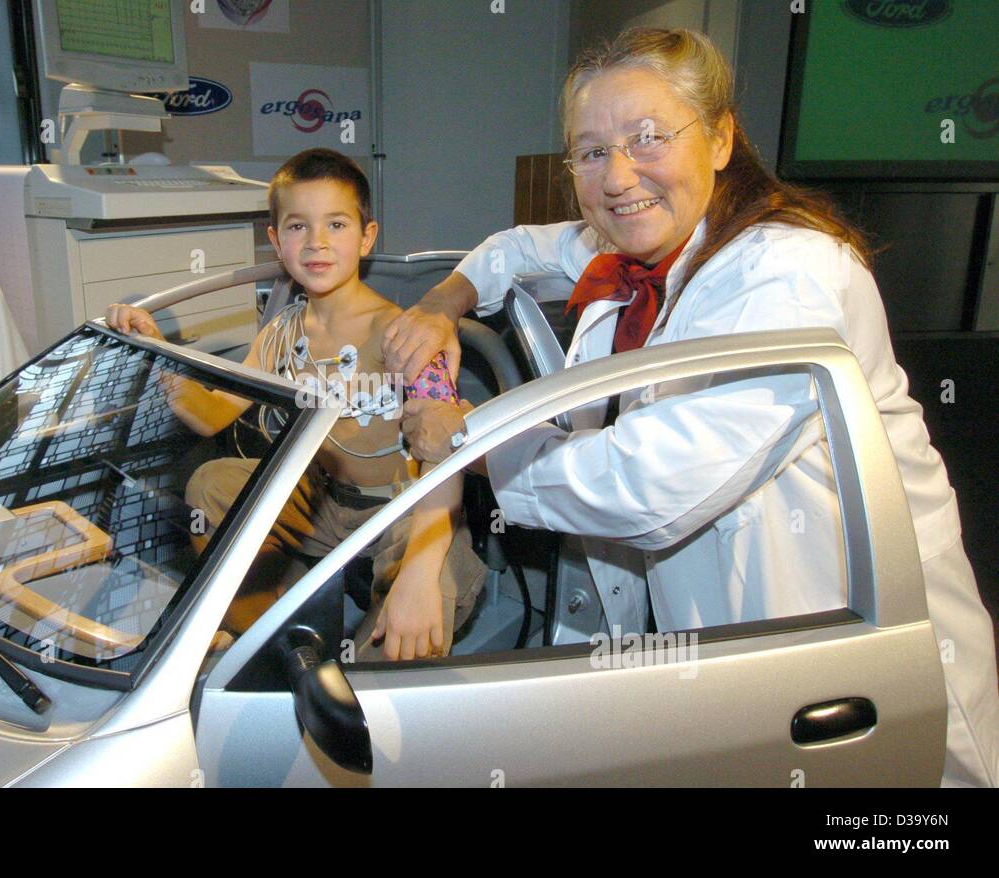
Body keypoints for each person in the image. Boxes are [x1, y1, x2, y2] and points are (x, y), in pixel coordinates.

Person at [386, 27, 998, 786]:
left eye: (647, 137)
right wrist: (442, 305)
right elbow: (518, 250)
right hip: (727, 646)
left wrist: (465, 440)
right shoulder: (647, 242)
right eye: (590, 151)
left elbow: (652, 485)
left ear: (719, 139)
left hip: (851, 643)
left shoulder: (788, 274)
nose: (617, 176)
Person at [107, 148, 486, 661]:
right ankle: (272, 649)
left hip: (406, 511)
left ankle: (361, 693)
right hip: (321, 500)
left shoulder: (403, 332)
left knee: (404, 643)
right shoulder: (280, 333)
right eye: (297, 227)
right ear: (275, 240)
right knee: (211, 485)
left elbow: (449, 454)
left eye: (336, 224)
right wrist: (159, 353)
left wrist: (419, 571)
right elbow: (212, 413)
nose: (316, 243)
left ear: (367, 236)